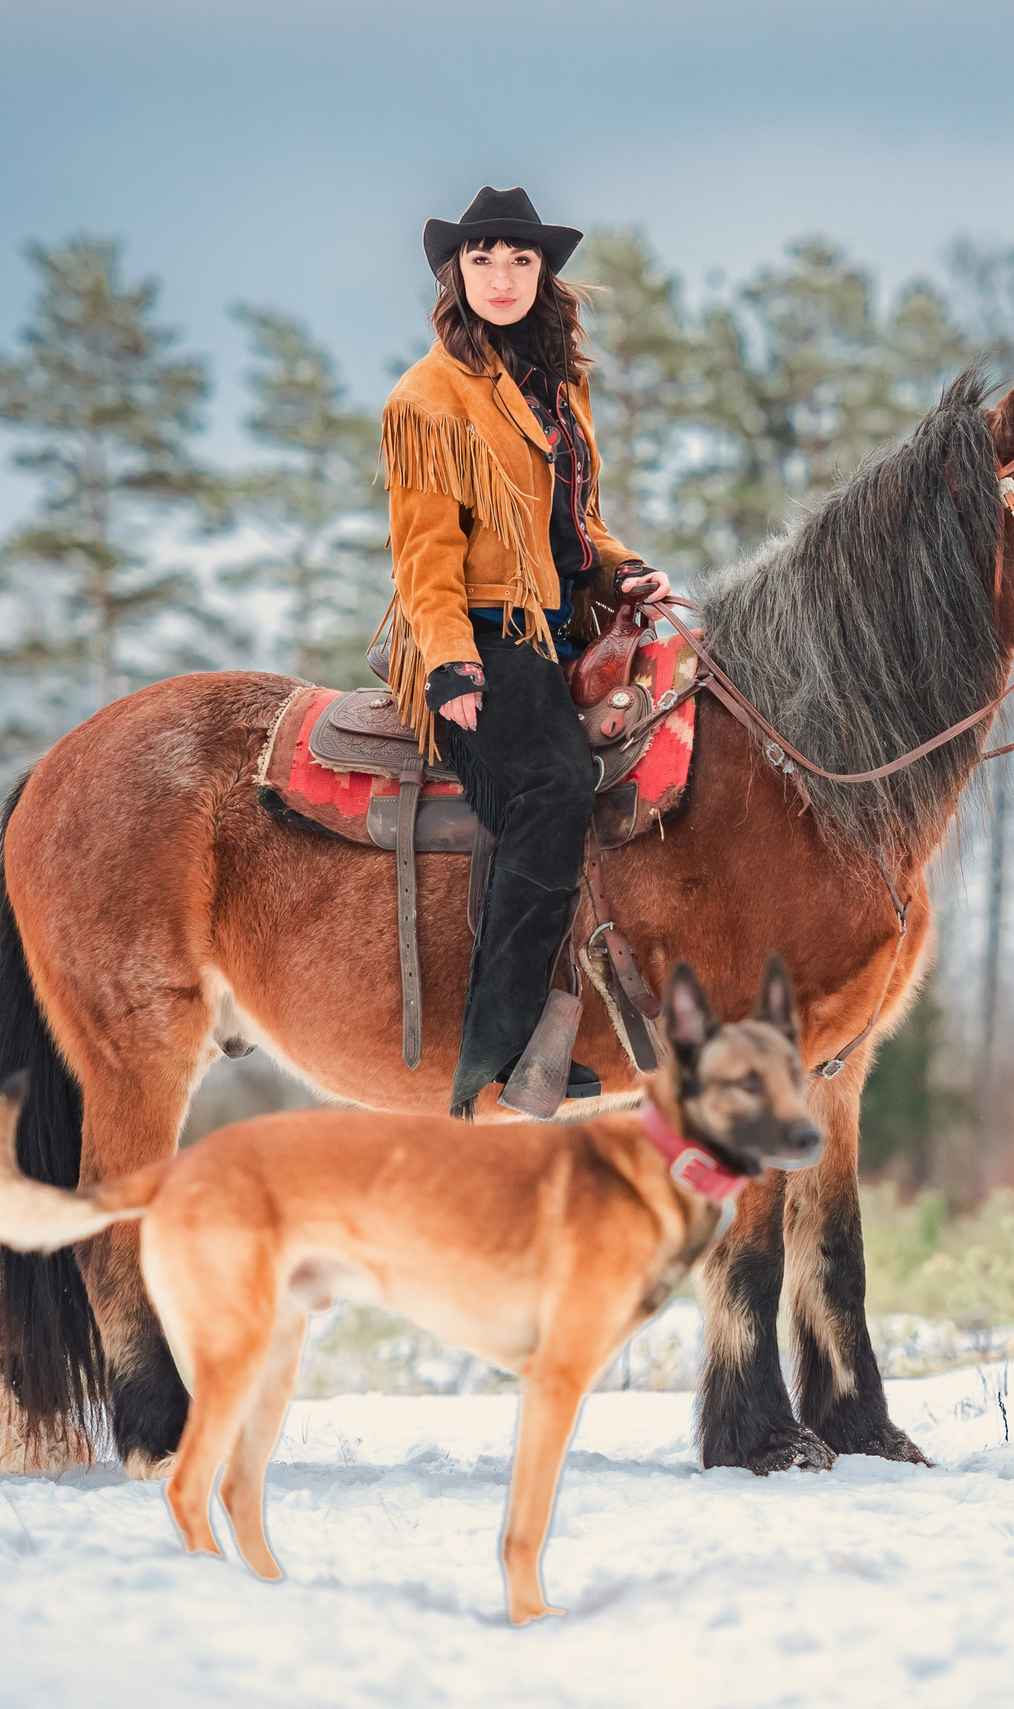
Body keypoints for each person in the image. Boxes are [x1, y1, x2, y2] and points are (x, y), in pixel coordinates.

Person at [378, 186, 671, 1117]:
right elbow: (424, 554)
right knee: (552, 784)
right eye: (482, 260)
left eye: (519, 260)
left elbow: (576, 526)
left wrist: (625, 572)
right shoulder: (427, 398)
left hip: (556, 625)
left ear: (543, 273)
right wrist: (451, 664)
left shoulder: (556, 384)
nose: (501, 278)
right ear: (455, 274)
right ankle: (495, 1048)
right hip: (480, 632)